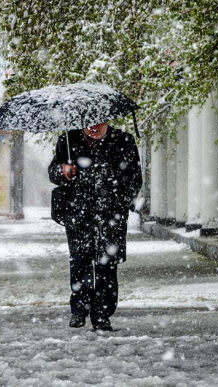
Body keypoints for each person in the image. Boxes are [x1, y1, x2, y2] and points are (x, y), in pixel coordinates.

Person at [48, 122, 142, 331]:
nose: (93, 127)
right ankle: (79, 310)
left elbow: (135, 176)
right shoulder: (68, 140)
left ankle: (102, 314)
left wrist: (121, 198)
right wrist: (62, 170)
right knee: (80, 261)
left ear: (107, 120)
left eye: (98, 122)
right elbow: (53, 171)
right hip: (78, 213)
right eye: (88, 123)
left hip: (111, 215)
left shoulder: (123, 140)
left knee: (106, 264)